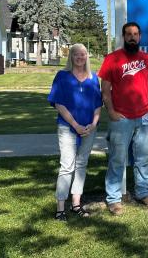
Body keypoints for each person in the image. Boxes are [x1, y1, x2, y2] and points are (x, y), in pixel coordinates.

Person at [98, 22, 148, 216]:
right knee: (117, 159)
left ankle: (142, 193)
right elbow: (105, 89)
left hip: (143, 116)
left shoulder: (146, 59)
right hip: (121, 118)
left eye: (135, 34)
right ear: (123, 37)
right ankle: (114, 199)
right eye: (128, 34)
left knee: (143, 158)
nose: (132, 37)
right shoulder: (112, 59)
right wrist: (112, 112)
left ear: (140, 36)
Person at [48, 43, 102, 221]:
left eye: (83, 54)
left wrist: (94, 123)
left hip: (88, 128)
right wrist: (75, 124)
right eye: (76, 54)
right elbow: (58, 103)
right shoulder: (62, 76)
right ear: (71, 57)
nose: (80, 57)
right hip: (68, 128)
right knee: (67, 166)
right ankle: (60, 208)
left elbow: (97, 104)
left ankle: (76, 204)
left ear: (87, 56)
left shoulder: (93, 78)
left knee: (81, 165)